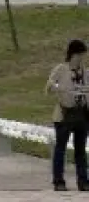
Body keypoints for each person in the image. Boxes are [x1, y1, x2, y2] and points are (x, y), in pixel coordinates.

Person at [47, 39, 89, 191]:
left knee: (80, 150)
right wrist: (60, 88)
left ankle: (83, 181)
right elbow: (49, 87)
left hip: (82, 114)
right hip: (64, 114)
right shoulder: (61, 69)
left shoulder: (85, 72)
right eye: (80, 55)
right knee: (61, 149)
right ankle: (58, 181)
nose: (81, 59)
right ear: (73, 54)